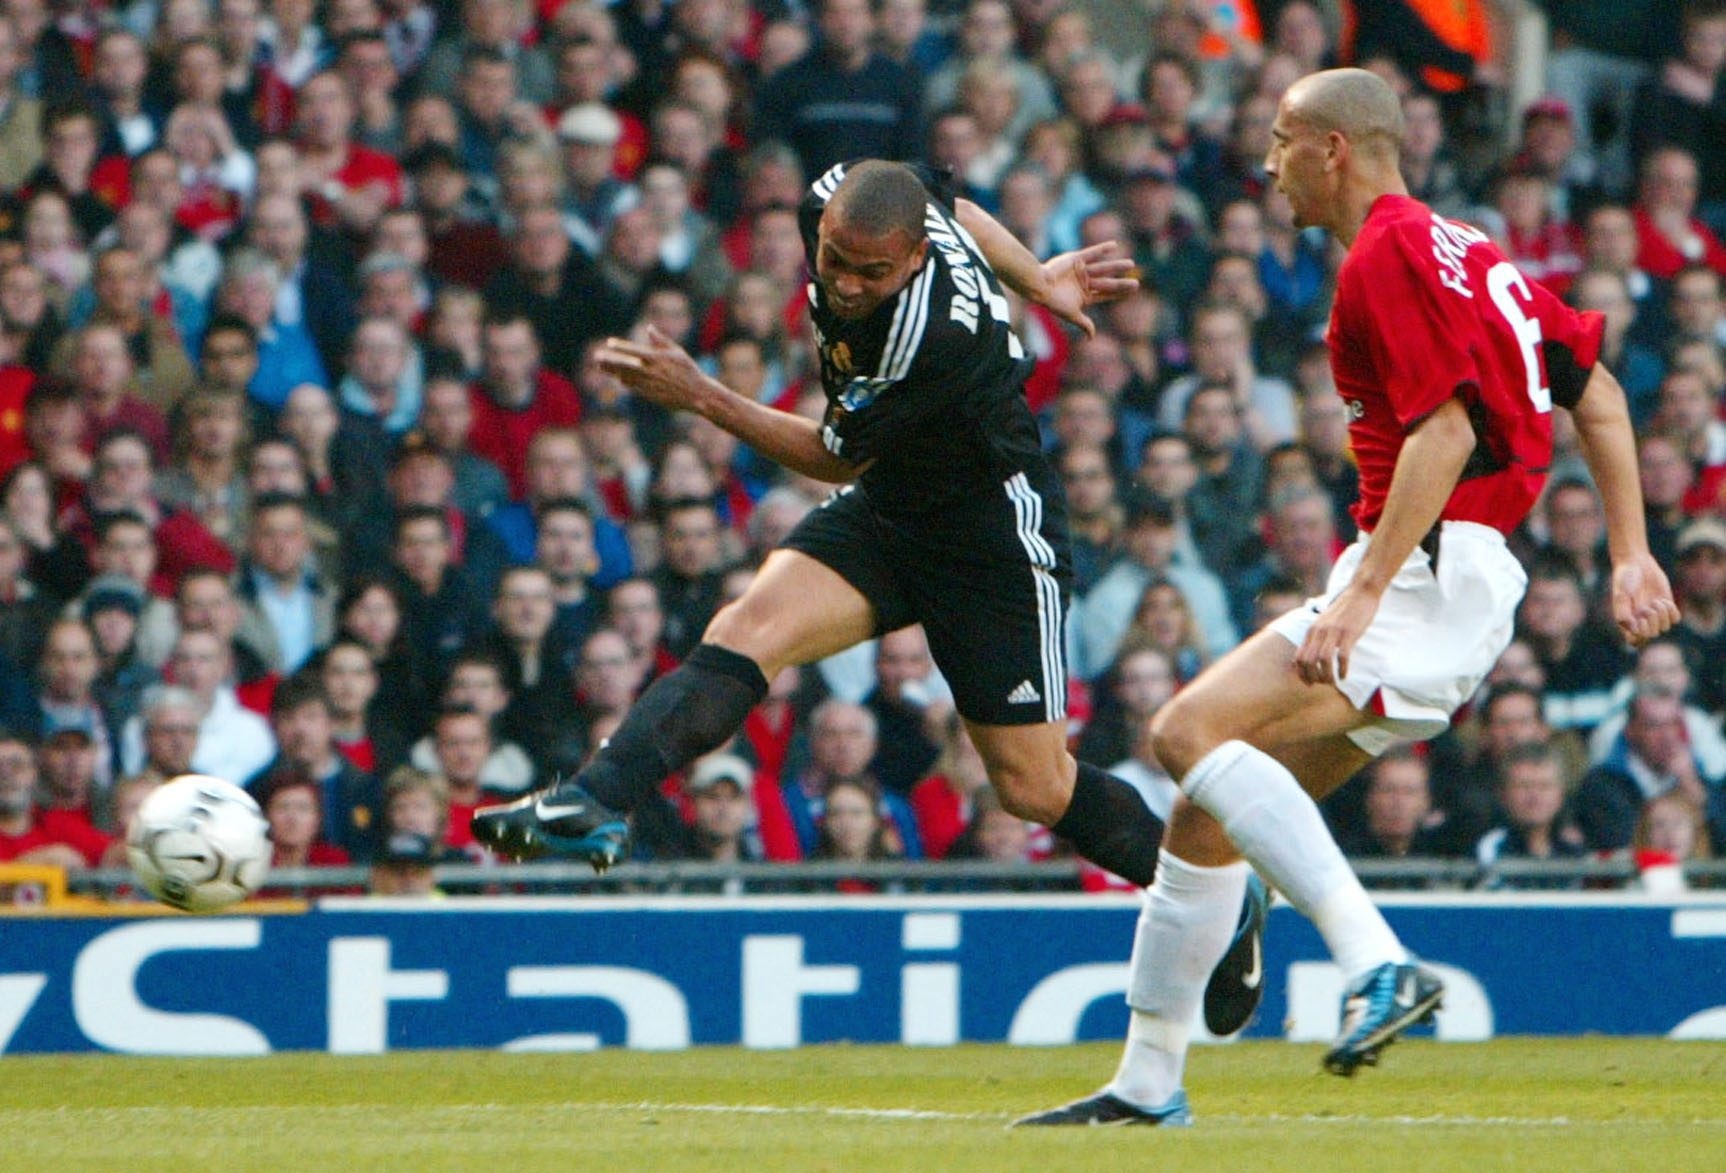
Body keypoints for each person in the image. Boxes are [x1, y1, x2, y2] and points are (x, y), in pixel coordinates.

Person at [1021, 68, 1677, 1128]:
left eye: (1281, 140)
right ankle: (1146, 1087)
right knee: (1201, 818)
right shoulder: (1465, 248)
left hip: (1423, 567)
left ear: (1332, 148)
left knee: (1183, 731)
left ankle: (1378, 963)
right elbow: (1591, 385)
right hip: (1464, 578)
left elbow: (1448, 430)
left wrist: (1361, 593)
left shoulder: (1386, 253)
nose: (1267, 162)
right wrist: (1629, 554)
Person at [473, 158, 1269, 1029]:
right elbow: (955, 198)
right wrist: (1035, 275)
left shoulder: (929, 338)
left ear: (915, 259)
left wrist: (699, 394)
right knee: (749, 625)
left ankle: (1223, 898)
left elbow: (830, 453)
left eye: (871, 272)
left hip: (991, 540)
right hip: (894, 510)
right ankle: (595, 799)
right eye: (834, 259)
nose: (845, 284)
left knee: (1034, 788)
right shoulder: (864, 194)